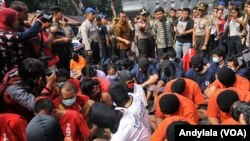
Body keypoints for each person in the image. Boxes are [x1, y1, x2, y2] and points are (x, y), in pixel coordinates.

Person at [0, 8, 42, 81]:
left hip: (20, 68)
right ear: (7, 20)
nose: (17, 22)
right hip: (11, 73)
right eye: (15, 20)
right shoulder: (3, 34)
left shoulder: (10, 30)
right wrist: (37, 22)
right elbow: (29, 34)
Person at [50, 6, 72, 71]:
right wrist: (62, 40)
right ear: (55, 13)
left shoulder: (60, 24)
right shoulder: (50, 24)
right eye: (61, 13)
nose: (62, 15)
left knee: (66, 70)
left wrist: (65, 27)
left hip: (64, 50)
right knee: (60, 70)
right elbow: (49, 41)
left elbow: (67, 36)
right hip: (56, 51)